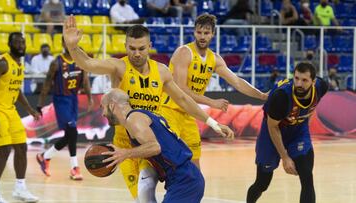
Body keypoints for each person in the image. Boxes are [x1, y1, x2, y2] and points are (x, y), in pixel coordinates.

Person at [63, 16, 233, 201]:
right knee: (141, 199)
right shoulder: (118, 67)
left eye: (141, 48)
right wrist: (72, 47)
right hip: (123, 143)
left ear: (150, 45)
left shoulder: (161, 71)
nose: (136, 53)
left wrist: (214, 124)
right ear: (126, 45)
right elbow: (88, 63)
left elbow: (183, 99)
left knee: (147, 185)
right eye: (132, 48)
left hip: (148, 143)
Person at [161, 13, 268, 169]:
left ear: (213, 34)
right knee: (169, 162)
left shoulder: (215, 59)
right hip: (168, 111)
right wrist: (212, 102)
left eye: (206, 33)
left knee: (195, 163)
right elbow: (181, 90)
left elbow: (237, 82)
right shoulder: (184, 53)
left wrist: (261, 95)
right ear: (194, 32)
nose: (202, 36)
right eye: (199, 32)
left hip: (189, 113)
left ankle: (192, 192)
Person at [100, 89, 233, 203]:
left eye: (103, 107)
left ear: (112, 106)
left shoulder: (133, 120)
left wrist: (125, 153)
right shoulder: (140, 116)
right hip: (181, 178)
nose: (102, 113)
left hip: (184, 180)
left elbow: (154, 147)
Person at [246, 62, 329, 203]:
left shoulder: (321, 87)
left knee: (307, 178)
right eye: (296, 78)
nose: (299, 84)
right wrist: (285, 157)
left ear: (313, 82)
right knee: (262, 183)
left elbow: (312, 105)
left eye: (304, 80)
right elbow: (272, 127)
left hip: (298, 131)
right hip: (272, 133)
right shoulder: (281, 97)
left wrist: (304, 120)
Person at [35, 38, 93, 180]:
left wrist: (90, 98)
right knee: (72, 130)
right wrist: (39, 105)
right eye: (67, 42)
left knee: (70, 135)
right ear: (62, 44)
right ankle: (74, 167)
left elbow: (85, 80)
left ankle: (45, 156)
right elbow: (47, 84)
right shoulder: (56, 63)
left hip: (73, 99)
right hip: (61, 100)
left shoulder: (80, 60)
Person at [0, 32, 40, 203]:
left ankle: (20, 189)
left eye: (23, 42)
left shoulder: (19, 64)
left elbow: (17, 89)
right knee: (4, 150)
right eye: (17, 43)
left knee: (22, 147)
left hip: (11, 109)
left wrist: (30, 109)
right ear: (10, 45)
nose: (21, 45)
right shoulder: (2, 63)